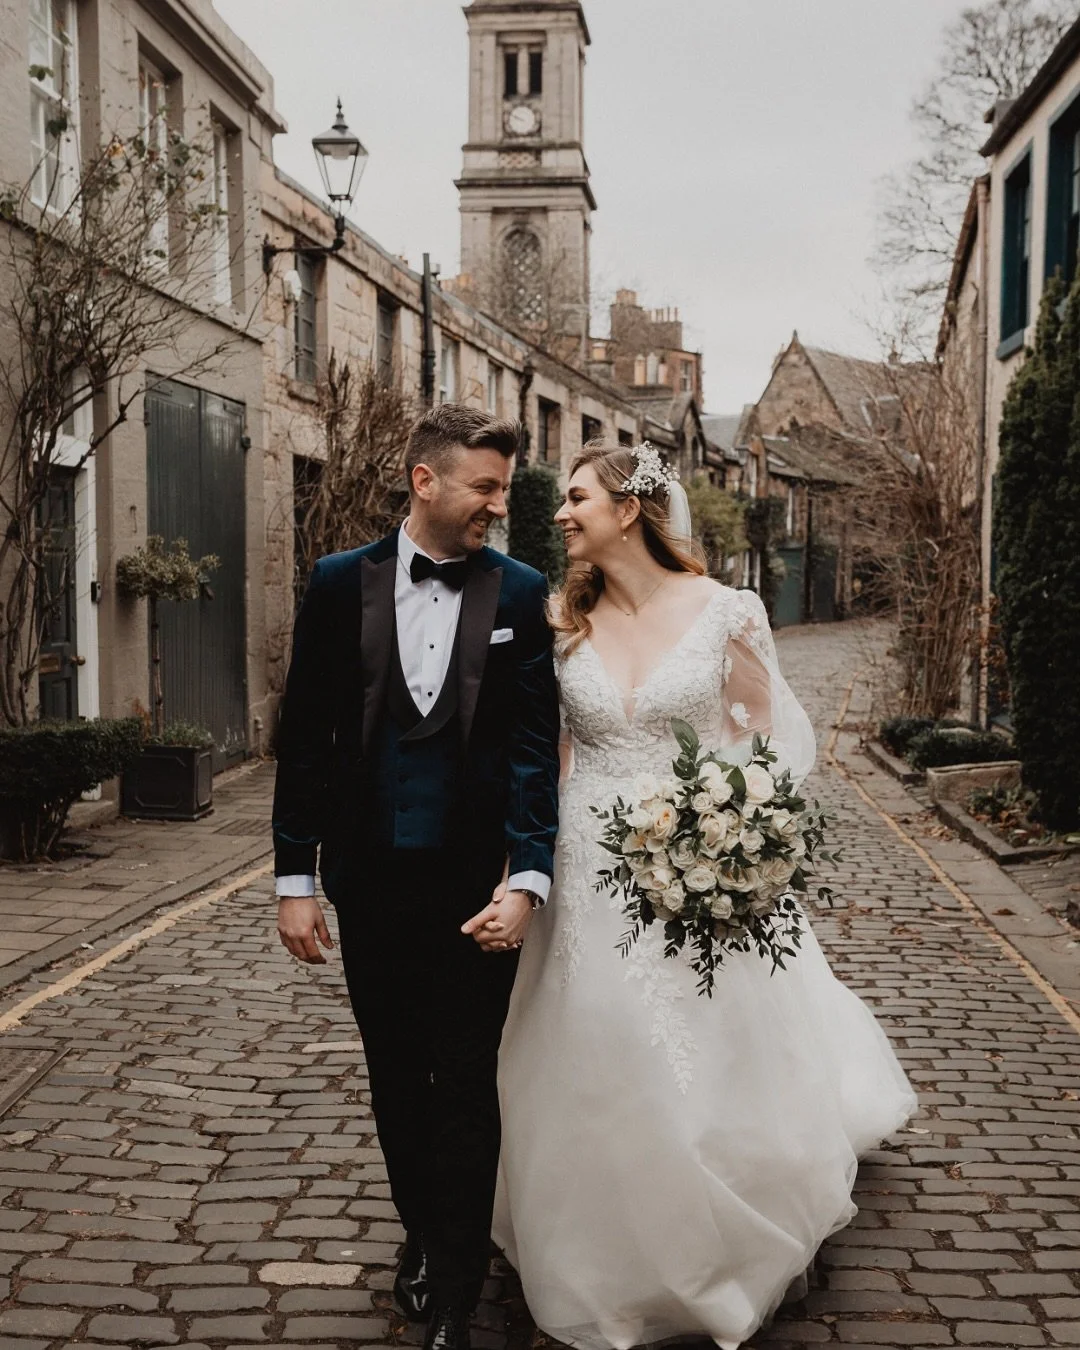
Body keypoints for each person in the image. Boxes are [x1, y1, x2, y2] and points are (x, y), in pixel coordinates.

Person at [493, 442, 917, 1350]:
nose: (561, 515)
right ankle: (601, 1241)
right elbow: (558, 753)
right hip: (585, 859)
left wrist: (729, 831)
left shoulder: (728, 611)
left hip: (697, 853)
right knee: (593, 1038)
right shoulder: (562, 617)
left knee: (710, 1038)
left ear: (629, 509)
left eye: (575, 499)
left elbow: (765, 743)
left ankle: (721, 1233)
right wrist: (526, 862)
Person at [272, 405, 560, 1350]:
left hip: (478, 890)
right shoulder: (335, 584)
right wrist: (294, 879)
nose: (497, 507)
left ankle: (458, 1281)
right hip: (372, 881)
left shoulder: (520, 590)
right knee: (396, 1075)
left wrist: (526, 877)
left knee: (467, 1079)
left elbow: (531, 751)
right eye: (484, 487)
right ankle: (425, 1237)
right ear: (424, 481)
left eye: (503, 490)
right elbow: (305, 738)